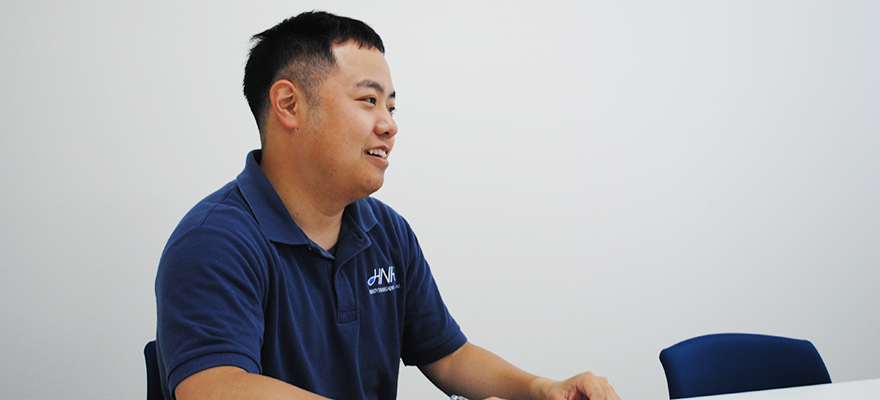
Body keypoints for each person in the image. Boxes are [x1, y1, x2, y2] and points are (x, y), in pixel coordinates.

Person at [155, 11, 620, 400]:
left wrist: (542, 388)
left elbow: (449, 356)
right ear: (289, 105)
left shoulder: (387, 232)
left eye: (391, 107)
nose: (389, 125)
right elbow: (215, 387)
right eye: (368, 100)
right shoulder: (214, 241)